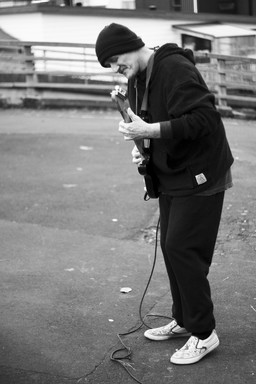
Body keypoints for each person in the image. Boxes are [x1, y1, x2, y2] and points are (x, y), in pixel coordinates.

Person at [95, 23, 234, 365]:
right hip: (174, 172)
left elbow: (205, 119)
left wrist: (150, 130)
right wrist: (142, 146)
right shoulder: (136, 78)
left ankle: (204, 333)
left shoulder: (174, 68)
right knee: (170, 247)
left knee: (182, 248)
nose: (116, 68)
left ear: (131, 46)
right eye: (110, 65)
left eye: (116, 60)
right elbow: (151, 124)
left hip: (203, 172)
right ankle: (185, 320)